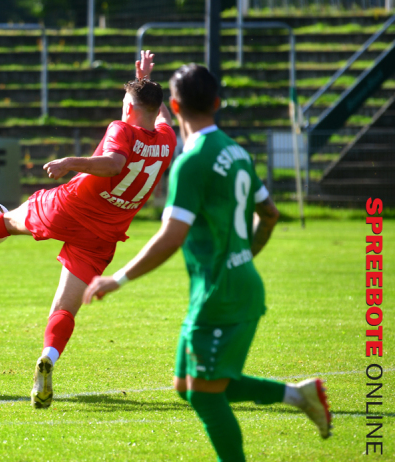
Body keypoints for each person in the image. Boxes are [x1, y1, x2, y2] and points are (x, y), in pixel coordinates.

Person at [82, 63, 331, 460]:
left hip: (221, 294)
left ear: (175, 107)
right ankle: (298, 395)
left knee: (204, 395)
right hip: (233, 283)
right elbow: (269, 214)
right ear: (217, 103)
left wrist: (119, 278)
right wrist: (245, 254)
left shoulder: (192, 161)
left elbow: (171, 236)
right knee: (188, 385)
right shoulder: (236, 151)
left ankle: (292, 404)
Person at [0, 51, 178, 409]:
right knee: (65, 307)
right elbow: (161, 116)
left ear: (128, 104)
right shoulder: (167, 139)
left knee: (6, 221)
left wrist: (71, 162)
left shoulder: (121, 128)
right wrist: (142, 80)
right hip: (105, 232)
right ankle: (48, 356)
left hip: (70, 206)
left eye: (125, 99)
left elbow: (114, 163)